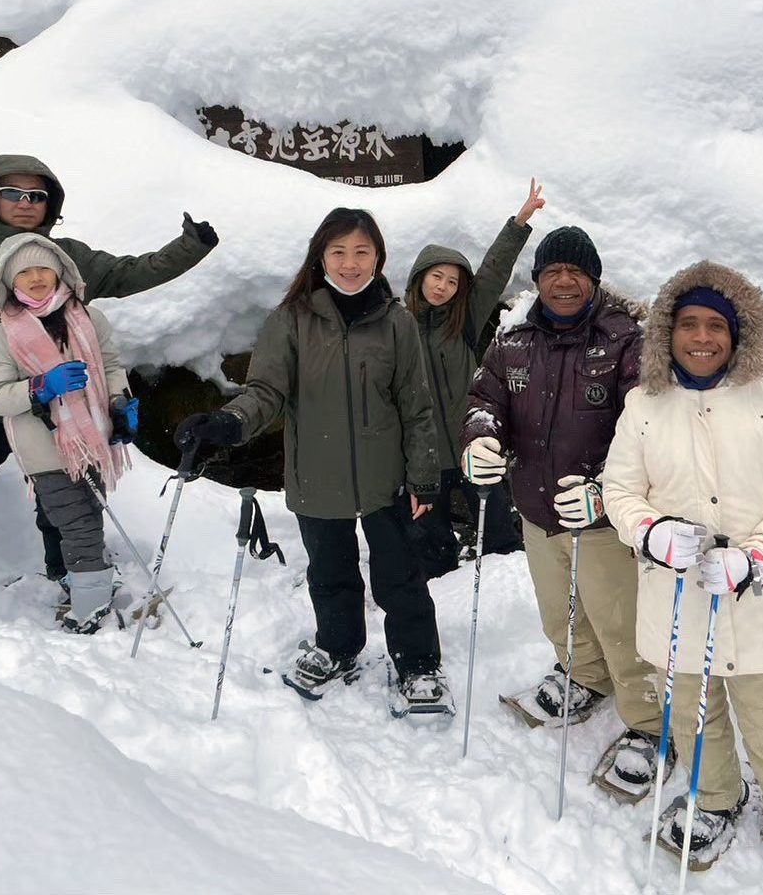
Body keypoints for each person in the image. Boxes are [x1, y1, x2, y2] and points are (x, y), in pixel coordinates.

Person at [0, 154, 217, 613]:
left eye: (36, 195)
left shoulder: (63, 256)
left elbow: (129, 272)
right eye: (12, 193)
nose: (24, 203)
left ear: (51, 203)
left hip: (60, 409)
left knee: (68, 500)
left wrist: (190, 247)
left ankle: (76, 582)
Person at [602, 261, 763, 881]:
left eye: (716, 325)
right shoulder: (643, 405)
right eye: (688, 323)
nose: (702, 337)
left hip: (757, 599)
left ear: (738, 335)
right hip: (677, 597)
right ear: (667, 331)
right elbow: (620, 490)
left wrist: (758, 555)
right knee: (693, 714)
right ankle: (714, 797)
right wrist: (651, 533)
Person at [174, 207, 449, 710]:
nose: (350, 263)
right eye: (338, 251)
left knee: (401, 577)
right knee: (330, 573)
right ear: (319, 256)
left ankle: (418, 663)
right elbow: (266, 391)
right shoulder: (291, 320)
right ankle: (338, 647)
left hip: (386, 479)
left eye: (362, 251)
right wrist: (229, 422)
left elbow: (417, 406)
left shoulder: (397, 323)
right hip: (316, 475)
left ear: (379, 257)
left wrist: (423, 476)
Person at [461, 224, 666, 796]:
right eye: (553, 271)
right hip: (536, 508)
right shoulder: (513, 339)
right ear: (538, 279)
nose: (564, 281)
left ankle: (650, 723)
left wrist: (605, 488)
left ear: (594, 279)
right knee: (560, 614)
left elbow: (648, 427)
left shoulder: (626, 341)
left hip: (602, 519)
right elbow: (484, 400)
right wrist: (481, 439)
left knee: (621, 625)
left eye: (576, 271)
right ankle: (584, 677)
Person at [0, 234, 137, 632]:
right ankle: (90, 608)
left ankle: (88, 584)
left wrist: (120, 402)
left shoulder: (89, 319)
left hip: (94, 441)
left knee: (90, 518)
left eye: (43, 269)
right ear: (9, 282)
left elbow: (111, 366)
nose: (36, 278)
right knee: (78, 525)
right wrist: (40, 387)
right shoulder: (4, 334)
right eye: (25, 273)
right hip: (45, 449)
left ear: (60, 272)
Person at [403, 180, 543, 575]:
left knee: (499, 531)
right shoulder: (397, 327)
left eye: (452, 282)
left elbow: (492, 273)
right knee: (431, 544)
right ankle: (442, 593)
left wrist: (518, 223)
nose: (443, 287)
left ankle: (506, 590)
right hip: (425, 456)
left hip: (472, 446)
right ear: (420, 277)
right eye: (437, 277)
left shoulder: (462, 321)